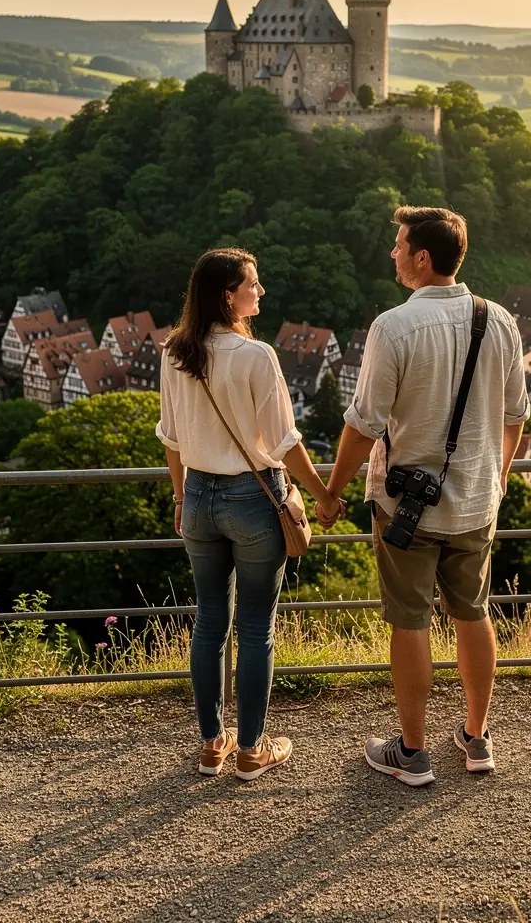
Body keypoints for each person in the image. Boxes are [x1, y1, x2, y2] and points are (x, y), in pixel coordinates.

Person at [319, 207, 529, 787]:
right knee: (473, 612)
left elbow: (364, 424)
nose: (392, 253)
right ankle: (477, 738)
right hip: (476, 501)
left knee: (410, 620)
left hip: (404, 506)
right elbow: (515, 415)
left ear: (422, 258)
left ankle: (412, 753)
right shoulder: (499, 320)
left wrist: (331, 492)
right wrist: (500, 473)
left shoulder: (394, 327)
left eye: (398, 245)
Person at [157, 248, 343, 781]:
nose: (260, 291)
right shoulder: (256, 356)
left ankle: (211, 744)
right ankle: (251, 750)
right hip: (254, 499)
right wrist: (325, 496)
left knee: (210, 621)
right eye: (252, 284)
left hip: (198, 496)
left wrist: (180, 497)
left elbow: (171, 438)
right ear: (227, 296)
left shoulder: (175, 351)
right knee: (256, 626)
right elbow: (285, 443)